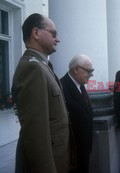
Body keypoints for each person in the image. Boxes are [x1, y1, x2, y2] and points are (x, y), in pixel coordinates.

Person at [11, 13, 74, 172]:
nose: (58, 39)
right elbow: (36, 135)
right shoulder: (33, 68)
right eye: (53, 33)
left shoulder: (41, 65)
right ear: (36, 33)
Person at [60, 54, 94, 173]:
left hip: (83, 148)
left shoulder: (80, 85)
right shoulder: (62, 88)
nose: (92, 74)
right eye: (89, 71)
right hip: (71, 153)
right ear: (76, 69)